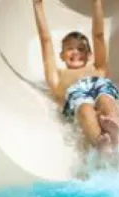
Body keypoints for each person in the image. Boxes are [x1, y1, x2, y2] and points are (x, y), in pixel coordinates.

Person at [33, 0, 119, 153]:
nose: (76, 52)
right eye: (70, 48)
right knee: (85, 110)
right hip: (76, 94)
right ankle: (101, 143)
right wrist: (38, 5)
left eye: (81, 48)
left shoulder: (98, 68)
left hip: (99, 86)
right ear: (61, 55)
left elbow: (98, 35)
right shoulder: (58, 77)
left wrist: (96, 2)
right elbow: (45, 40)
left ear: (90, 54)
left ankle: (114, 128)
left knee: (106, 99)